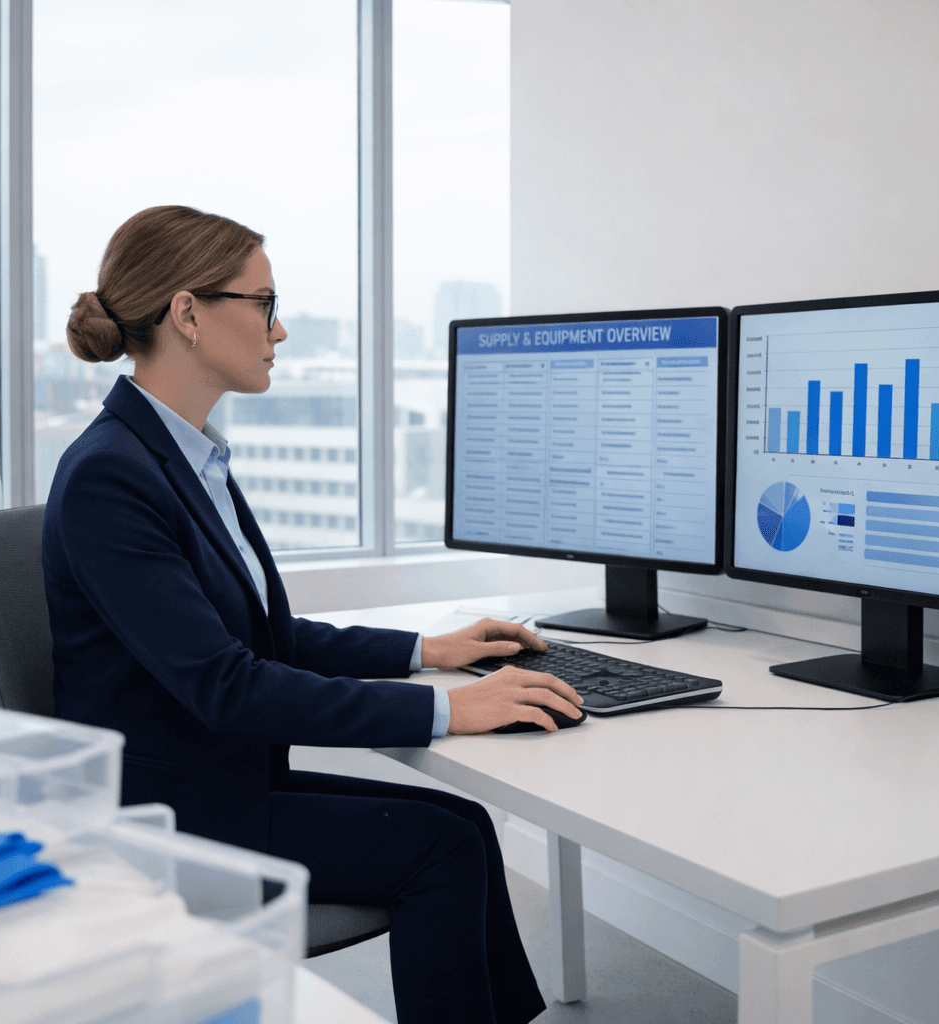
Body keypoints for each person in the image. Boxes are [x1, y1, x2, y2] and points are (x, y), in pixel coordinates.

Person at [43, 205, 584, 1024]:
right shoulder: (109, 476)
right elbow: (228, 685)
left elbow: (269, 638)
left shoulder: (183, 455)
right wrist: (451, 711)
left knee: (467, 821)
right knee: (440, 848)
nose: (280, 328)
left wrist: (428, 651)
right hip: (165, 819)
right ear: (188, 313)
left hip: (224, 783)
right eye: (263, 303)